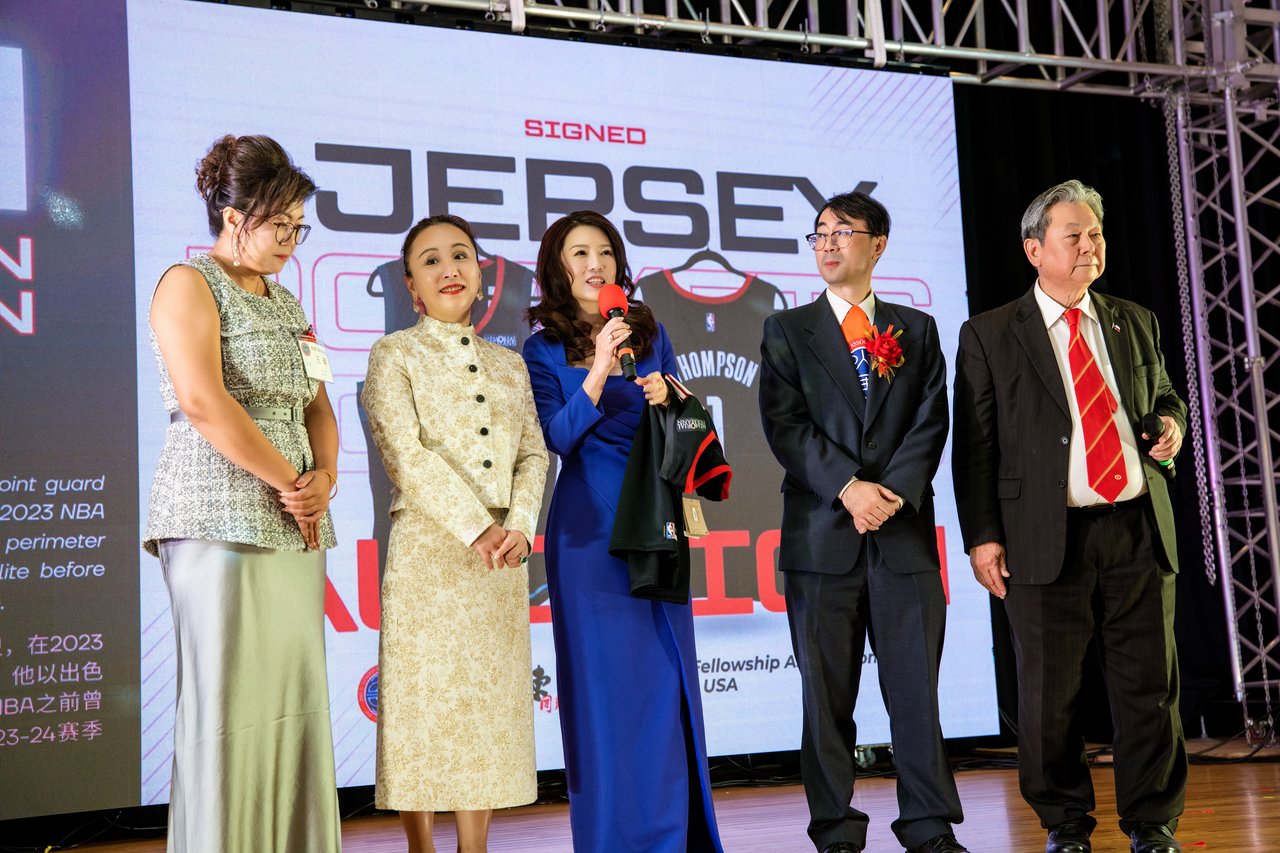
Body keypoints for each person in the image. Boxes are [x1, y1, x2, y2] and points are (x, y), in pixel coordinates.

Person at [951, 179, 1187, 853]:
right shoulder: (990, 333)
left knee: (1150, 688)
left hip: (1137, 526)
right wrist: (983, 537)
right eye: (1074, 235)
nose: (1090, 246)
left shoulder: (1133, 319)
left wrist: (1171, 424)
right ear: (1034, 250)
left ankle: (1152, 822)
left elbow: (1165, 395)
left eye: (1096, 234)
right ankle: (1065, 823)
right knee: (1048, 694)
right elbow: (975, 447)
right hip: (1042, 536)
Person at [142, 134, 341, 852]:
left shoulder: (287, 302)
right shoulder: (187, 282)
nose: (290, 239)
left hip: (295, 518)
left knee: (293, 697)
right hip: (215, 511)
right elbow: (202, 401)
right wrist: (293, 482)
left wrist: (325, 478)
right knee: (227, 703)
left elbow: (318, 405)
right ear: (234, 217)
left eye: (298, 227)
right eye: (279, 224)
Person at [758, 190, 967, 853]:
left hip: (902, 537)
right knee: (826, 700)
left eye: (841, 232)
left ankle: (930, 826)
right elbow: (786, 427)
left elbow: (931, 420)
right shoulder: (787, 330)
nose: (826, 244)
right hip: (822, 538)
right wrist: (849, 488)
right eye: (818, 233)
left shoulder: (916, 329)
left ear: (877, 245)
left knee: (916, 693)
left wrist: (892, 492)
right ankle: (836, 831)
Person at [522, 210, 724, 852]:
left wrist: (669, 397)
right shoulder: (541, 348)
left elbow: (679, 423)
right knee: (604, 693)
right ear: (558, 267)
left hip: (655, 520)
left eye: (605, 252)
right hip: (587, 532)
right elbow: (558, 437)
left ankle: (675, 837)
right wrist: (600, 366)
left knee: (665, 681)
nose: (596, 263)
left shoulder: (648, 331)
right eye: (580, 253)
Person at [361, 214, 548, 853]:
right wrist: (475, 528)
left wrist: (519, 525)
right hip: (429, 553)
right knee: (423, 707)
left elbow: (534, 454)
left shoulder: (509, 363)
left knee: (484, 712)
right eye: (432, 260)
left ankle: (475, 847)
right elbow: (404, 454)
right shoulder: (394, 354)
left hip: (502, 558)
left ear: (480, 273)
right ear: (411, 286)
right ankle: (421, 847)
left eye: (461, 255)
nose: (450, 270)